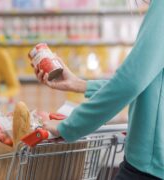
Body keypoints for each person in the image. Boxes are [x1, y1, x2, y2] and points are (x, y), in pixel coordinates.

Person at [35, 0, 163, 179]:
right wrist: (81, 85)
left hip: (149, 168)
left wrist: (69, 127)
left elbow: (131, 82)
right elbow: (152, 86)